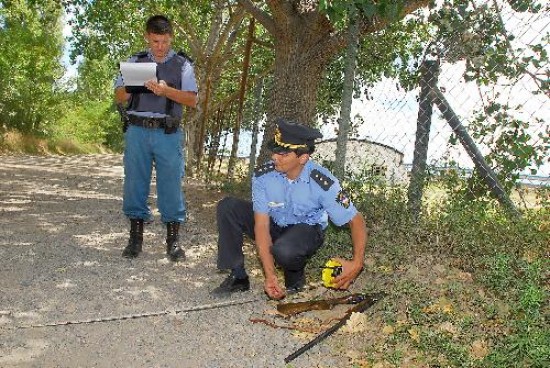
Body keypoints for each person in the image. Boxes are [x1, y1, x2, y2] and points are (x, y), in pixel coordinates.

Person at [212, 118, 367, 299]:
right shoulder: (263, 176)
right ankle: (238, 276)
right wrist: (269, 276)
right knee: (228, 207)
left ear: (303, 157)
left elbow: (356, 220)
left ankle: (295, 279)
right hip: (275, 223)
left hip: (305, 230)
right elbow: (261, 226)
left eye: (283, 154)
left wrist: (357, 263)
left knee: (285, 250)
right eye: (275, 151)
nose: (274, 157)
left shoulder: (323, 182)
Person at [114, 15, 198, 261]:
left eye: (164, 41)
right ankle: (135, 238)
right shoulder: (135, 61)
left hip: (168, 133)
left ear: (171, 37)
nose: (160, 46)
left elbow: (192, 100)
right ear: (147, 38)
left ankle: (173, 241)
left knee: (171, 185)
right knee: (134, 183)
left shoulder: (183, 65)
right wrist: (135, 83)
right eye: (155, 41)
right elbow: (119, 95)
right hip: (137, 131)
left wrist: (166, 91)